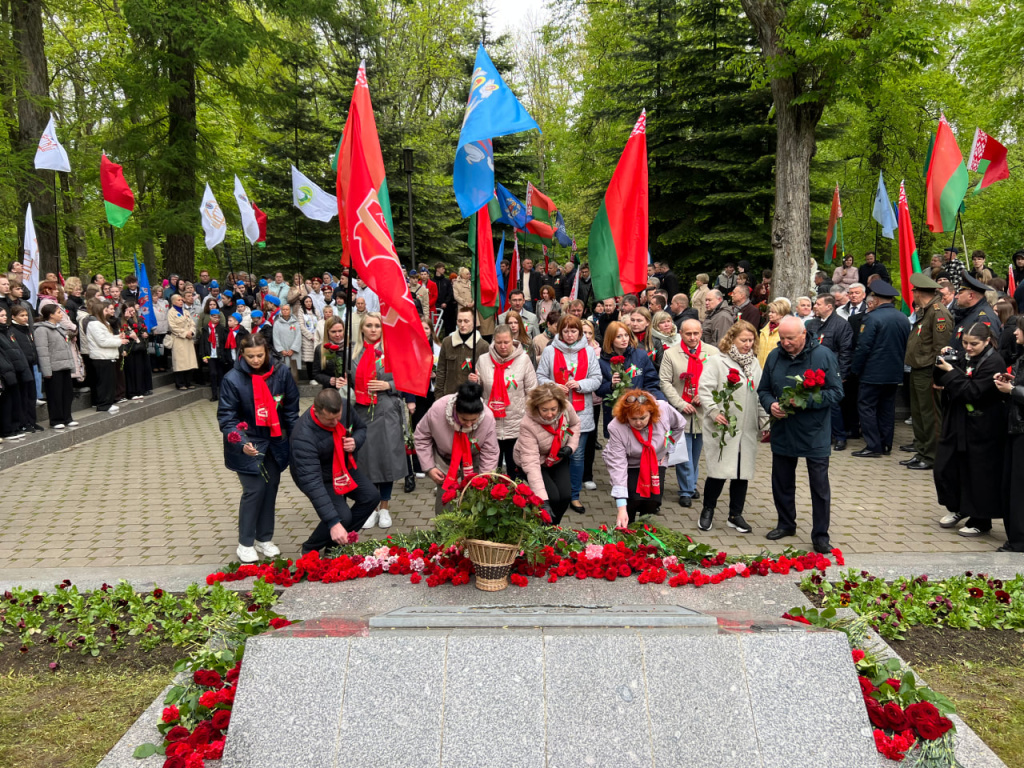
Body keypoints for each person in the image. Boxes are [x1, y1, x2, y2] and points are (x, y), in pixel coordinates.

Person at [757, 316, 844, 553]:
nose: (785, 343)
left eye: (790, 338)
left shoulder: (823, 355)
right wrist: (771, 404)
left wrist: (805, 400)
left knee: (819, 485)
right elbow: (763, 389)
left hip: (814, 431)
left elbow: (836, 393)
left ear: (804, 334)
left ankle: (820, 535)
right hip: (783, 429)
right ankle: (786, 524)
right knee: (782, 481)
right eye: (782, 338)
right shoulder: (775, 356)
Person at [218, 331, 300, 563]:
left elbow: (291, 411)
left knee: (270, 489)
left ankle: (264, 539)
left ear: (267, 352)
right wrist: (242, 443)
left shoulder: (281, 372)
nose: (255, 360)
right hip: (247, 443)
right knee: (254, 490)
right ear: (241, 354)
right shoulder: (232, 379)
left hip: (275, 442)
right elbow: (227, 418)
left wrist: (295, 442)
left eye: (260, 355)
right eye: (250, 356)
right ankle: (245, 543)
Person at [930, 322, 1007, 538]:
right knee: (945, 466)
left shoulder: (994, 362)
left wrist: (951, 371)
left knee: (978, 472)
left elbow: (972, 392)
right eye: (965, 343)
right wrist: (943, 363)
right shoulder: (965, 356)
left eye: (974, 344)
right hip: (957, 419)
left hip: (983, 424)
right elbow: (943, 382)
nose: (968, 348)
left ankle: (981, 520)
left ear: (987, 342)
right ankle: (959, 506)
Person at [341, 312, 412, 530]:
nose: (373, 329)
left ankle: (385, 508)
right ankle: (371, 507)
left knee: (386, 460)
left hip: (387, 410)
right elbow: (347, 384)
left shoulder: (391, 352)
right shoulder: (352, 353)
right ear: (362, 328)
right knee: (368, 461)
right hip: (362, 412)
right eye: (369, 326)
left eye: (377, 326)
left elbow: (408, 379)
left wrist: (388, 386)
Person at [290, 388, 380, 555]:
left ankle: (335, 546)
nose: (336, 423)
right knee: (341, 517)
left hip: (343, 466)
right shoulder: (303, 436)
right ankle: (310, 548)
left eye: (338, 418)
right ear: (316, 412)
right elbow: (312, 483)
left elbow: (361, 428)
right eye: (330, 420)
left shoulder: (344, 407)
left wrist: (355, 442)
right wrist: (333, 522)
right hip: (320, 477)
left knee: (371, 496)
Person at [696, 320, 765, 533]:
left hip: (747, 428)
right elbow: (705, 390)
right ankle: (708, 510)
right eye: (743, 340)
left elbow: (758, 394)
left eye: (751, 340)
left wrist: (763, 419)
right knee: (719, 470)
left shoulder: (753, 363)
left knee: (742, 472)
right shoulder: (717, 362)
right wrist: (714, 412)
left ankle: (735, 515)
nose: (747, 344)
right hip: (723, 426)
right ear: (732, 339)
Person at [536, 314, 603, 514]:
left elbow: (597, 378)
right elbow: (539, 376)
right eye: (566, 330)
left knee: (577, 455)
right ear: (560, 331)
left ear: (580, 332)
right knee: (552, 452)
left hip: (581, 413)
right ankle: (552, 492)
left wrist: (580, 384)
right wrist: (554, 386)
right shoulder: (550, 351)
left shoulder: (589, 352)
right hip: (553, 413)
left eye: (574, 331)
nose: (570, 334)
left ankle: (574, 495)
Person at [603, 389, 687, 527]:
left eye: (643, 418)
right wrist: (621, 508)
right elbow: (618, 466)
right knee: (633, 500)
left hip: (656, 460)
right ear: (625, 416)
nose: (638, 423)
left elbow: (679, 425)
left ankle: (644, 530)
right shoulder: (616, 427)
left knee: (652, 502)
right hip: (631, 463)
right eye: (633, 419)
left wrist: (667, 446)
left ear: (651, 413)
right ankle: (627, 529)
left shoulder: (664, 409)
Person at [414, 380, 499, 513]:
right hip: (446, 458)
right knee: (445, 502)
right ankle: (444, 532)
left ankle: (471, 531)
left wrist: (483, 479)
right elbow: (421, 437)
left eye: (474, 420)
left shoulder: (487, 418)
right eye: (464, 419)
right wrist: (429, 467)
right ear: (455, 410)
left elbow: (490, 452)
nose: (469, 425)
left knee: (475, 502)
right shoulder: (438, 410)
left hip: (474, 456)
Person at [661, 318, 720, 508]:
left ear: (701, 333)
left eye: (696, 333)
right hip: (681, 412)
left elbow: (719, 380)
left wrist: (704, 396)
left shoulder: (712, 353)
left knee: (695, 454)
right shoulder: (671, 354)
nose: (693, 337)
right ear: (681, 334)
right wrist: (679, 403)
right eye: (688, 334)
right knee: (683, 453)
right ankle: (686, 490)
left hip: (703, 413)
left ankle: (691, 484)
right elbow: (665, 381)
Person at [849, 281, 910, 457]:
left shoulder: (872, 318)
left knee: (866, 406)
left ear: (875, 299)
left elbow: (863, 347)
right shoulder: (902, 318)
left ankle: (873, 445)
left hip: (872, 372)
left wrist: (856, 369)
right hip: (894, 371)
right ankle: (886, 443)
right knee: (887, 408)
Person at [900, 273, 954, 471]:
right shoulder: (927, 311)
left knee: (930, 414)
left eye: (914, 291)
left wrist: (937, 376)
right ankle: (922, 450)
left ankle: (933, 456)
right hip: (918, 368)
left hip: (929, 371)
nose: (912, 294)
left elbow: (942, 348)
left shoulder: (938, 313)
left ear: (919, 292)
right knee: (919, 413)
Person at [469, 324, 537, 480]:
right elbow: (477, 392)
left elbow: (532, 391)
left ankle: (515, 500)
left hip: (516, 423)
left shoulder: (524, 360)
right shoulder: (483, 360)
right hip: (490, 424)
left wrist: (525, 415)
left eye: (506, 342)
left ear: (512, 340)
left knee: (515, 469)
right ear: (494, 341)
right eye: (499, 342)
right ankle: (494, 499)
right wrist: (473, 382)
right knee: (492, 469)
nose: (503, 346)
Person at [597, 320, 664, 433]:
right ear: (610, 339)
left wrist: (661, 402)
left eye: (626, 335)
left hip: (639, 412)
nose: (624, 339)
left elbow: (652, 382)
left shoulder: (641, 355)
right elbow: (598, 390)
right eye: (619, 336)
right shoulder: (602, 362)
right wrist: (611, 385)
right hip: (616, 413)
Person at [807, 294, 854, 450]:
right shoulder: (811, 324)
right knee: (813, 402)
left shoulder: (841, 325)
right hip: (812, 371)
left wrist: (843, 374)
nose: (815, 306)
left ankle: (840, 437)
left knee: (833, 405)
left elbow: (845, 351)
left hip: (831, 372)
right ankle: (821, 436)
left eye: (818, 304)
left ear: (829, 306)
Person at [995, 322, 1024, 552]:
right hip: (1016, 426)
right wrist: (1011, 381)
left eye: (1020, 329)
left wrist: (1013, 390)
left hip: (1021, 428)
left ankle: (1019, 540)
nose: (1015, 333)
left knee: (1018, 486)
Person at [34, 304, 77, 430]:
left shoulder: (60, 328)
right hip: (54, 367)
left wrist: (71, 365)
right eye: (58, 312)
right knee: (55, 395)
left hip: (64, 366)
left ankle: (67, 417)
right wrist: (46, 370)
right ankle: (56, 419)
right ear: (51, 315)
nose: (61, 314)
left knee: (67, 394)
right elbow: (43, 351)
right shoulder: (42, 330)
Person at [436, 306, 490, 397]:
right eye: (459, 321)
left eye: (466, 321)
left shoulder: (483, 346)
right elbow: (441, 371)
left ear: (474, 322)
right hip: (449, 396)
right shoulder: (447, 342)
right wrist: (439, 396)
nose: (462, 325)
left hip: (472, 398)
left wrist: (478, 380)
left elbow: (487, 375)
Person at [86, 301, 129, 414]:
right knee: (104, 383)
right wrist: (120, 341)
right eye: (105, 310)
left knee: (109, 382)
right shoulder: (94, 324)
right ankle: (103, 404)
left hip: (107, 356)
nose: (107, 312)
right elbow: (102, 342)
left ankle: (108, 403)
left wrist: (117, 337)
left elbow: (107, 337)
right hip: (101, 357)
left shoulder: (102, 323)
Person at [951, 273, 1001, 352]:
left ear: (971, 296)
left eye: (960, 293)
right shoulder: (969, 313)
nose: (956, 296)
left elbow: (986, 350)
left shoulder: (984, 317)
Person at [120, 302, 153, 400]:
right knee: (130, 371)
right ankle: (131, 392)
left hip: (139, 348)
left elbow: (140, 329)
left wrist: (145, 334)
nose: (132, 313)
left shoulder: (139, 319)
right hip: (129, 349)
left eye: (133, 311)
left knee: (139, 370)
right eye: (129, 311)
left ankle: (140, 390)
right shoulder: (121, 321)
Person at [166, 293, 198, 390]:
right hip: (179, 339)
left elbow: (192, 323)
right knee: (180, 363)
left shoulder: (186, 311)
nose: (181, 301)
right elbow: (172, 327)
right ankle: (180, 383)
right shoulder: (171, 312)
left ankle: (188, 382)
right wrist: (185, 333)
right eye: (179, 300)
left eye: (181, 300)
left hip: (188, 341)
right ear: (173, 301)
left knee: (189, 362)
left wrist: (191, 332)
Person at [272, 302, 303, 382]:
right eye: (283, 309)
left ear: (290, 311)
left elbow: (298, 336)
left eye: (287, 309)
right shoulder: (277, 323)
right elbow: (275, 337)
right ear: (281, 311)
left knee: (294, 371)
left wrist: (293, 349)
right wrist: (281, 350)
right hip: (283, 352)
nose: (285, 311)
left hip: (293, 352)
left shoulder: (295, 322)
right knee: (283, 371)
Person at [757, 298, 791, 368]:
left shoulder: (786, 330)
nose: (769, 314)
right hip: (760, 368)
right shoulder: (765, 328)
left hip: (776, 368)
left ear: (781, 314)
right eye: (770, 312)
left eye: (773, 312)